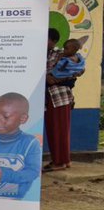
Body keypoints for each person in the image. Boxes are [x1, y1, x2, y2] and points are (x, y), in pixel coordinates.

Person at [45, 29, 77, 172]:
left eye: (46, 39)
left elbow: (78, 69)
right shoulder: (39, 53)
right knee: (53, 129)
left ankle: (59, 162)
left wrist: (56, 79)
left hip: (59, 96)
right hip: (47, 98)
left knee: (60, 129)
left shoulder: (60, 54)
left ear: (53, 42)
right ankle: (63, 160)